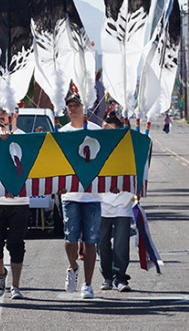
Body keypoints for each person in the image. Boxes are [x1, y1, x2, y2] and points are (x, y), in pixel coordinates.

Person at [0, 108, 29, 300]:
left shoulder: (25, 138)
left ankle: (15, 286)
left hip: (19, 201)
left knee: (16, 244)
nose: (1, 116)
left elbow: (27, 167)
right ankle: (1, 273)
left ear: (15, 115)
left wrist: (15, 186)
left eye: (6, 112)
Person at [59, 91, 102, 299]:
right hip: (70, 195)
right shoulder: (62, 132)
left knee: (91, 240)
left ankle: (88, 284)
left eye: (76, 105)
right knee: (70, 237)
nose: (73, 109)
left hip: (92, 195)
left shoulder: (96, 130)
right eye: (70, 106)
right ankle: (72, 267)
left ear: (84, 108)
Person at [98, 114, 134, 292]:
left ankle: (120, 277)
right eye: (104, 130)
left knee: (121, 244)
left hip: (123, 203)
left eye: (111, 131)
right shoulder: (96, 148)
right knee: (102, 243)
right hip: (101, 204)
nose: (107, 134)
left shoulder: (128, 148)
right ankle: (107, 277)